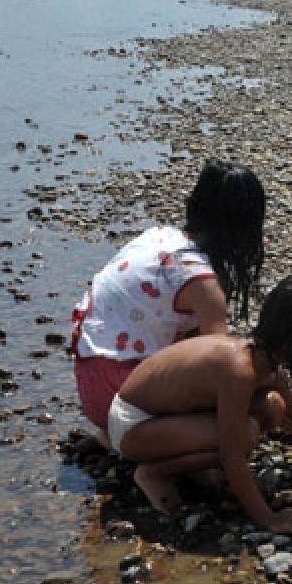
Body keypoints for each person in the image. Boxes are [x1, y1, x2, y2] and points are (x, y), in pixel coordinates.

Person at [109, 269, 292, 531]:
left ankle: (190, 465)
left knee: (273, 407)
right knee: (244, 435)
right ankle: (152, 472)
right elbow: (232, 456)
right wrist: (268, 519)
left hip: (163, 418)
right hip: (134, 424)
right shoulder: (239, 370)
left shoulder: (265, 360)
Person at [71, 160, 265, 447]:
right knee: (251, 421)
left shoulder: (157, 236)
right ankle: (153, 451)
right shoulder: (202, 284)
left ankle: (117, 434)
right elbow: (219, 367)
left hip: (91, 381)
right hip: (123, 393)